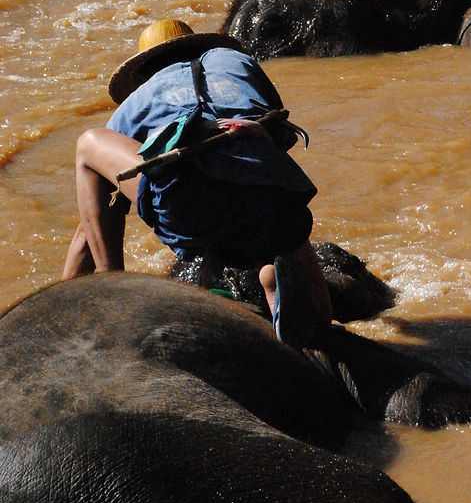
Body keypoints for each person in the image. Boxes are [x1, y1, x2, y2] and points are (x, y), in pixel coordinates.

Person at [62, 18, 331, 348]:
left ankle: (114, 287)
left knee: (90, 146)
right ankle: (284, 281)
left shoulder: (137, 100)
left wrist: (62, 302)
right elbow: (276, 137)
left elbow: (91, 222)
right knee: (315, 304)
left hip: (187, 197)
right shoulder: (237, 63)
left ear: (143, 69)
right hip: (273, 196)